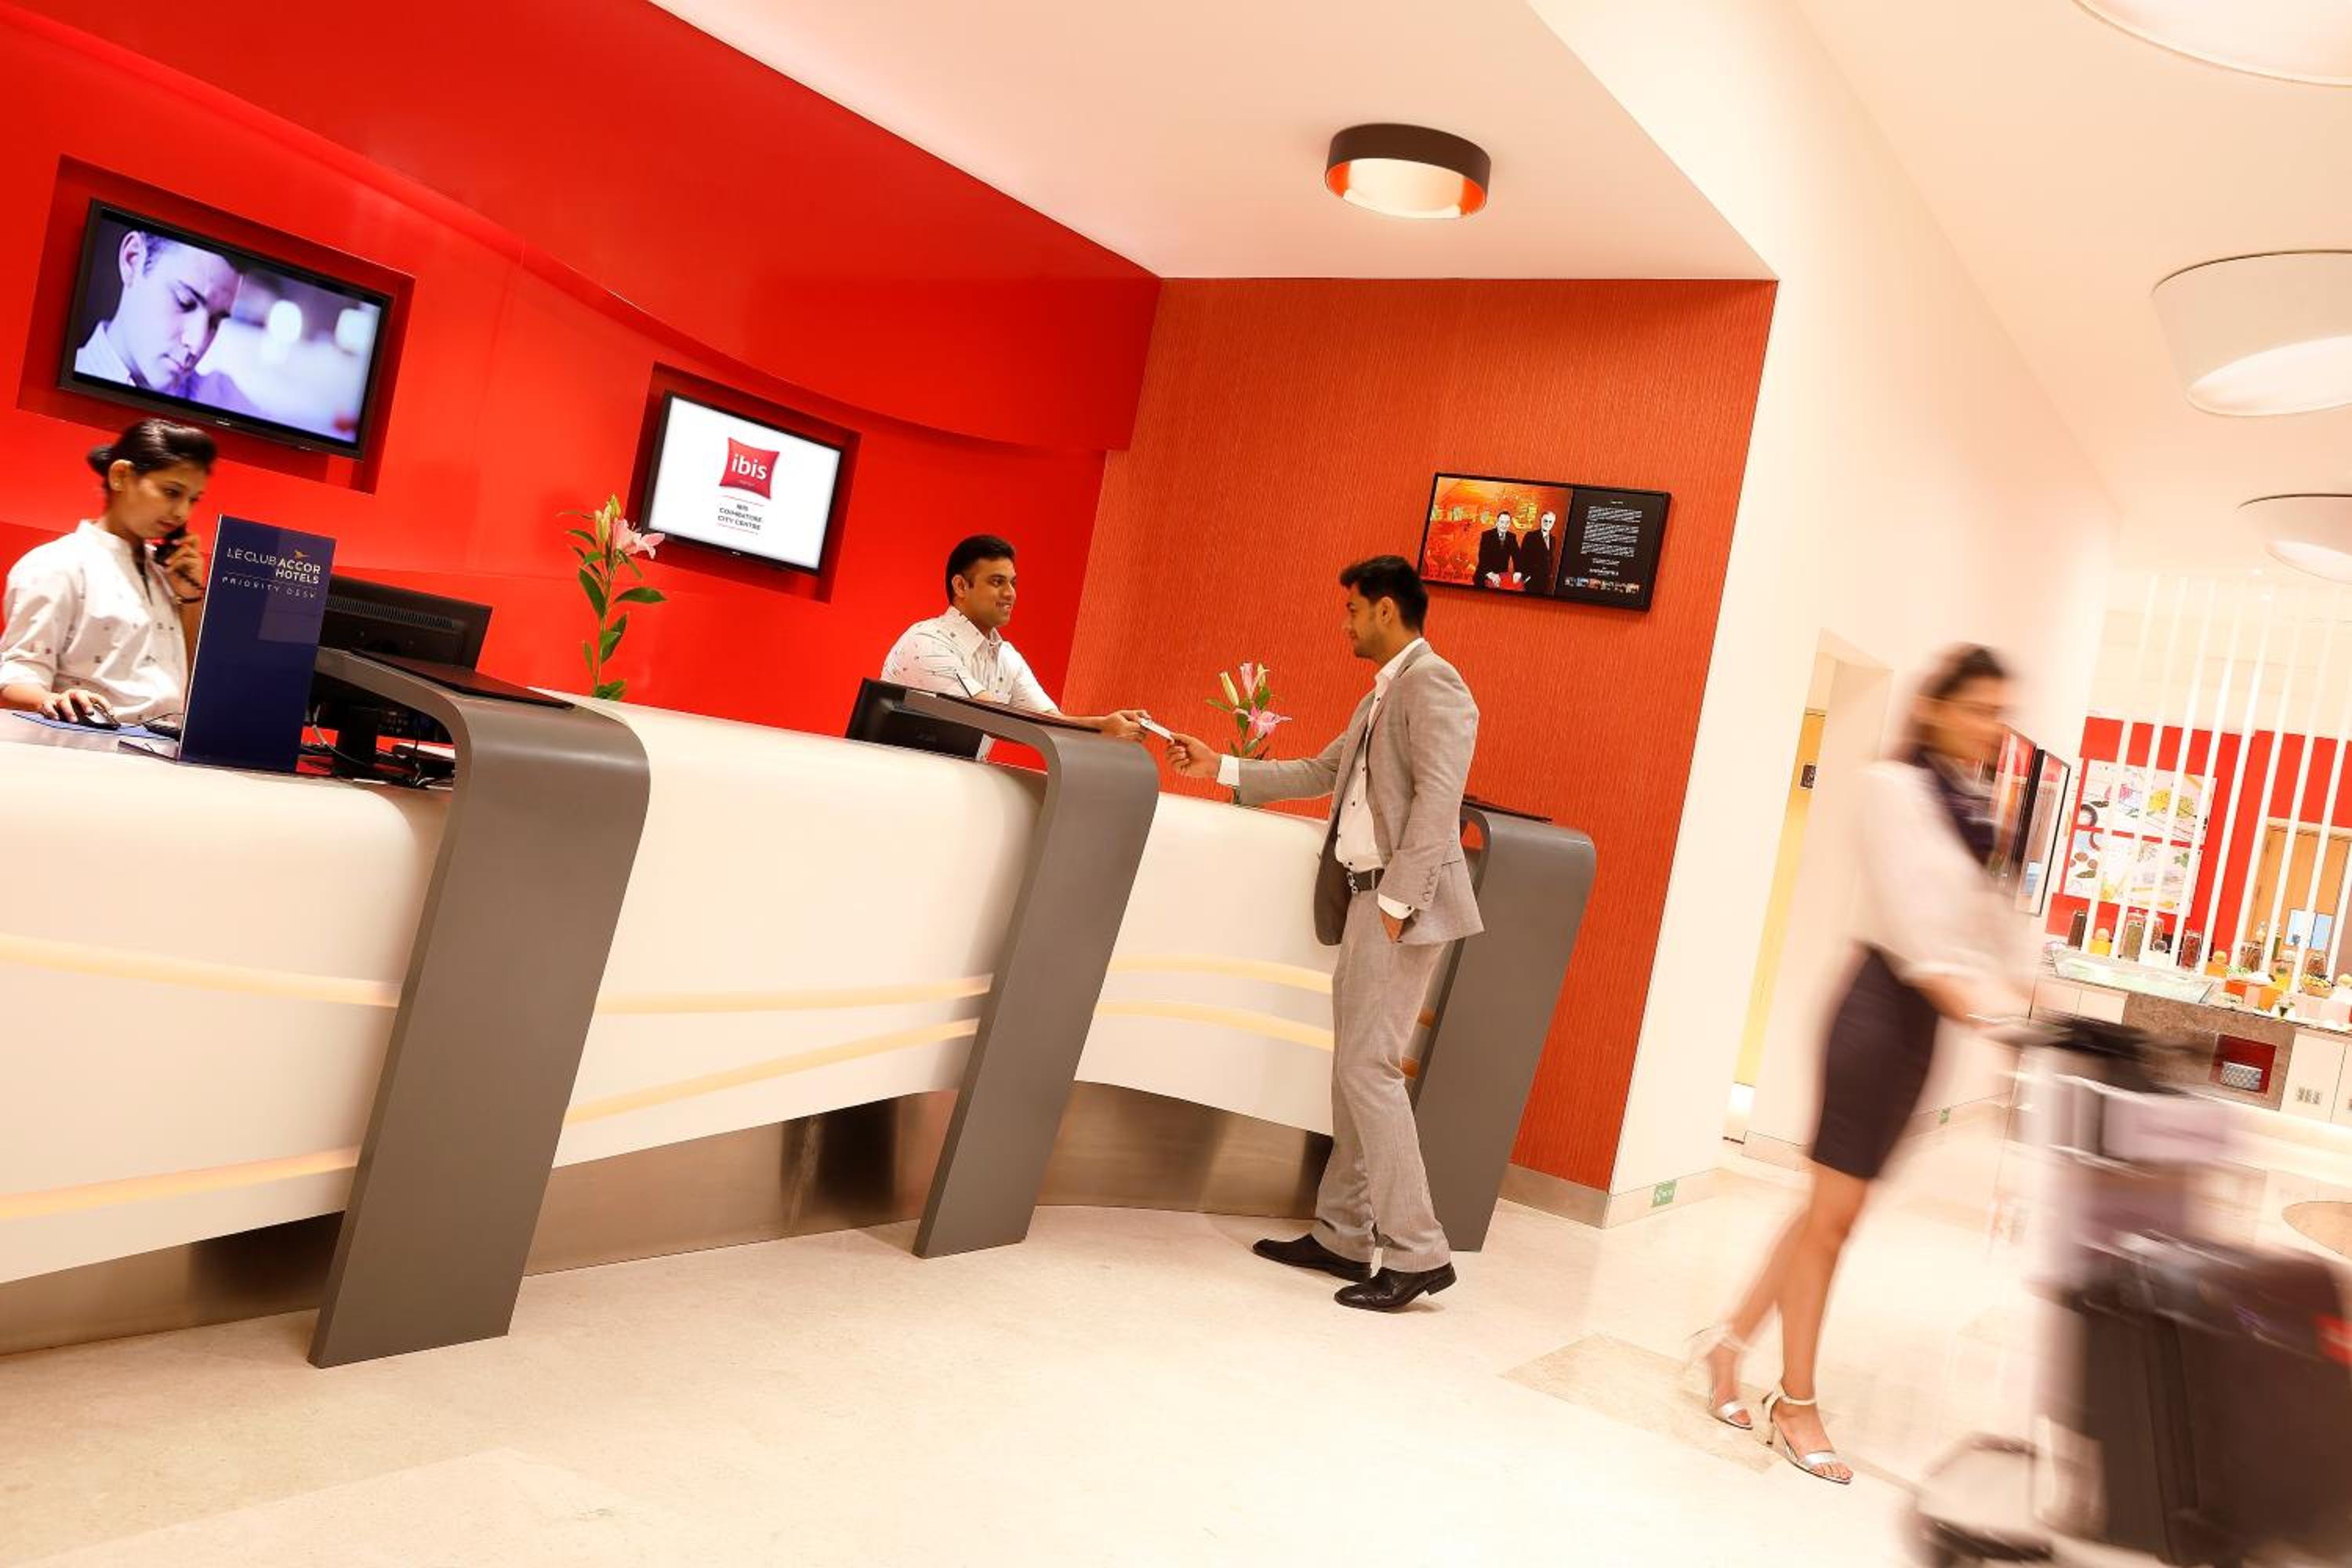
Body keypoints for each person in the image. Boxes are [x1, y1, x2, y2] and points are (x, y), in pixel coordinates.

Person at [1690, 645, 2025, 1483]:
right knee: (1833, 1220)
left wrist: (2030, 995)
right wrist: (1984, 1009)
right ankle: (1795, 1400)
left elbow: (1988, 923)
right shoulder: (1892, 790)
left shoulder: (1972, 806)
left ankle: (1726, 1349)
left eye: (2001, 712)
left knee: (1825, 1214)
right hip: (1878, 1012)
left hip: (1923, 1029)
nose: (1993, 726)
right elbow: (1914, 928)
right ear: (1935, 707)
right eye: (1980, 708)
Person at [1164, 555, 1481, 1312]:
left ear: (1385, 609)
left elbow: (1440, 800)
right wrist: (1221, 767)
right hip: (1370, 900)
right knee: (1355, 1071)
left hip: (1398, 906)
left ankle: (1419, 1251)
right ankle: (1343, 1234)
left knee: (1370, 1070)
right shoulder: (1380, 695)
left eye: (1351, 609)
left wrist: (1398, 903)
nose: (1345, 624)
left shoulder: (1434, 683)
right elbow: (1318, 771)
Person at [1, 420, 215, 728]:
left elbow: (193, 682)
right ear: (121, 476)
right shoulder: (56, 564)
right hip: (87, 744)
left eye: (193, 499)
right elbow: (16, 677)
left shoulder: (167, 572)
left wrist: (190, 597)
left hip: (169, 746)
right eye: (171, 492)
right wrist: (51, 701)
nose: (182, 512)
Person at [881, 534, 1148, 739]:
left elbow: (1050, 723)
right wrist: (1100, 727)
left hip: (956, 784)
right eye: (997, 582)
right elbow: (991, 718)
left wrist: (1106, 727)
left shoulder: (1007, 657)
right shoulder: (927, 641)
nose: (1010, 594)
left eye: (1013, 583)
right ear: (961, 586)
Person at [74, 229, 263, 417]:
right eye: (184, 302)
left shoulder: (224, 402)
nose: (197, 344)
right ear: (133, 259)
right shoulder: (71, 377)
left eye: (215, 322)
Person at [1475, 511, 1519, 588]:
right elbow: (1483, 557)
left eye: (1507, 523)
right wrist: (1491, 574)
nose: (1504, 525)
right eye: (1502, 522)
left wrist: (1518, 571)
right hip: (1484, 575)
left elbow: (1517, 556)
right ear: (1497, 522)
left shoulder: (1512, 537)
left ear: (1510, 524)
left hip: (1501, 576)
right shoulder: (1487, 535)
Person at [1518, 510, 1559, 593]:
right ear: (1541, 521)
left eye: (1550, 522)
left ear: (1553, 524)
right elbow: (1522, 557)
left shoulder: (1553, 539)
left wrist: (1550, 575)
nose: (1547, 524)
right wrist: (1526, 577)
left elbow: (1550, 558)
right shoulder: (1530, 536)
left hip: (1545, 581)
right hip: (1531, 580)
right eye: (1545, 521)